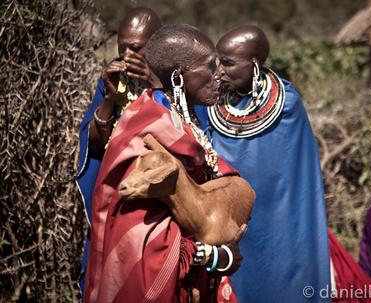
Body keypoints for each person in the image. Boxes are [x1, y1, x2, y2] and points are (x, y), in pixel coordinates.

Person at [84, 24, 249, 303]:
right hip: (165, 278)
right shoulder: (145, 128)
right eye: (209, 67)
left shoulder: (183, 119)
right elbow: (137, 233)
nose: (218, 75)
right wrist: (209, 254)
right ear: (178, 76)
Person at [196, 25, 331, 302]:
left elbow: (296, 175)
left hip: (279, 218)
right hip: (232, 217)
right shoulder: (212, 104)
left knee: (282, 282)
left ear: (255, 64)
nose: (219, 71)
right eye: (218, 62)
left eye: (229, 63)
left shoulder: (287, 105)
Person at [76, 7, 162, 292]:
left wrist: (155, 84)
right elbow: (96, 146)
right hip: (119, 195)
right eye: (121, 47)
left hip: (163, 200)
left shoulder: (176, 74)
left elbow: (191, 134)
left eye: (135, 49)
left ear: (156, 44)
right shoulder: (114, 77)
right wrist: (109, 101)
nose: (126, 56)